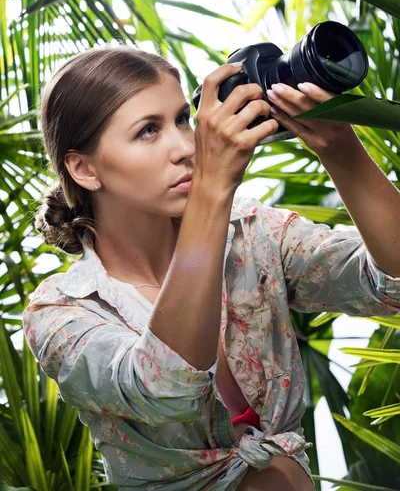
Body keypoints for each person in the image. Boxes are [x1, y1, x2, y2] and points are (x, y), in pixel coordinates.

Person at [23, 45, 400, 491]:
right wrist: (212, 188)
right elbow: (164, 386)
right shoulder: (61, 313)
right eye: (147, 131)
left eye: (184, 119)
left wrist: (343, 153)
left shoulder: (253, 234)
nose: (185, 147)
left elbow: (390, 285)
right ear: (84, 168)